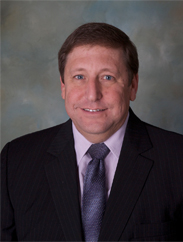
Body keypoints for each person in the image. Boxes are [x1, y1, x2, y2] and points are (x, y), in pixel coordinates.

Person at [1, 22, 183, 242]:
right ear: (63, 86)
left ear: (132, 86)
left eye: (107, 77)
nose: (92, 94)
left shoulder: (177, 159)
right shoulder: (16, 161)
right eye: (79, 77)